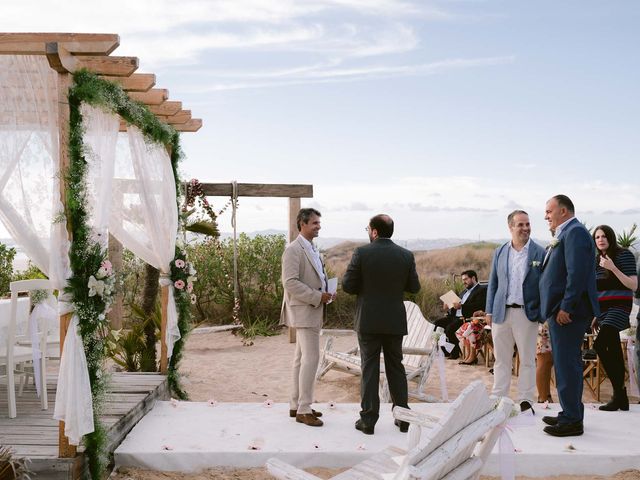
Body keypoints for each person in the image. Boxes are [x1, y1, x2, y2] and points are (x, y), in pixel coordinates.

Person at [342, 214, 420, 435]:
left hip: (368, 320)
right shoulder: (406, 255)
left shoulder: (362, 253)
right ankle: (403, 418)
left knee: (369, 367)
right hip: (394, 320)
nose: (367, 232)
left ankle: (368, 420)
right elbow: (414, 287)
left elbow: (348, 285)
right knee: (396, 367)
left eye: (367, 229)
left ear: (374, 231)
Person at [539, 194, 599, 437]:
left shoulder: (574, 232)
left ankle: (573, 420)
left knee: (567, 365)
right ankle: (569, 413)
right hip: (560, 310)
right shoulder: (566, 233)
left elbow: (577, 273)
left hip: (568, 313)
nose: (546, 216)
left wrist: (566, 306)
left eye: (549, 211)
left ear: (563, 211)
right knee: (564, 364)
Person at [484, 210, 546, 413]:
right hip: (501, 313)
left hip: (527, 314)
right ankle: (498, 397)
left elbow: (545, 285)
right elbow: (493, 282)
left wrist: (542, 313)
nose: (525, 228)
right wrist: (489, 310)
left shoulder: (540, 252)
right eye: (520, 225)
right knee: (501, 359)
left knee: (527, 359)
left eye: (527, 224)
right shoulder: (500, 251)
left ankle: (526, 399)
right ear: (510, 227)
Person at [280, 208, 334, 427]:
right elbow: (290, 282)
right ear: (301, 224)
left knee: (300, 359)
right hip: (304, 310)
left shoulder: (312, 248)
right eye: (314, 223)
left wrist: (328, 291)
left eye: (319, 222)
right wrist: (316, 296)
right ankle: (304, 409)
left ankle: (296, 405)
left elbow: (316, 277)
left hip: (313, 308)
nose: (318, 226)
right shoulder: (293, 250)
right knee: (311, 359)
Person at [591, 225, 637, 411]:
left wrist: (613, 268)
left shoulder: (623, 255)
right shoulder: (596, 260)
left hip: (619, 307)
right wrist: (595, 314)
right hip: (603, 311)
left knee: (600, 344)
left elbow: (633, 285)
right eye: (597, 237)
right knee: (614, 352)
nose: (601, 239)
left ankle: (619, 394)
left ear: (611, 237)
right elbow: (598, 290)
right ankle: (621, 398)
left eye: (604, 236)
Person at [434, 270, 487, 359]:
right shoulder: (463, 292)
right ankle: (445, 351)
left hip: (466, 318)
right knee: (437, 325)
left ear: (473, 278)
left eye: (466, 279)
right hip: (454, 316)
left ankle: (454, 353)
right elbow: (456, 305)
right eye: (462, 280)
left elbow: (480, 305)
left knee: (449, 329)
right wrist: (449, 306)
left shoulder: (482, 289)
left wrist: (461, 306)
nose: (464, 282)